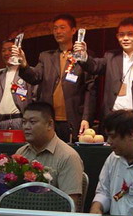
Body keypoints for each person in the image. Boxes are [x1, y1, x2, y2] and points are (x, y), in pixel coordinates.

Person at [73, 17, 133, 133]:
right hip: (112, 118)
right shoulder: (110, 57)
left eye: (130, 34)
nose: (125, 38)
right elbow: (94, 66)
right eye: (121, 35)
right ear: (117, 37)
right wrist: (83, 55)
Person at [15, 14, 97, 142]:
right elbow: (34, 78)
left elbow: (90, 90)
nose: (58, 31)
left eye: (62, 28)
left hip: (73, 117)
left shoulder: (84, 57)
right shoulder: (46, 56)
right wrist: (24, 65)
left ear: (73, 30)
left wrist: (86, 118)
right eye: (55, 28)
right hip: (49, 118)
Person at [15, 102, 84, 205]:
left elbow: (69, 204)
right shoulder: (21, 153)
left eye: (32, 122)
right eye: (24, 122)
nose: (26, 127)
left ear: (50, 124)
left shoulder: (68, 157)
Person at [0, 39, 35, 129]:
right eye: (3, 50)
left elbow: (35, 98)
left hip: (19, 121)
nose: (6, 53)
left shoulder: (29, 73)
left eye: (10, 50)